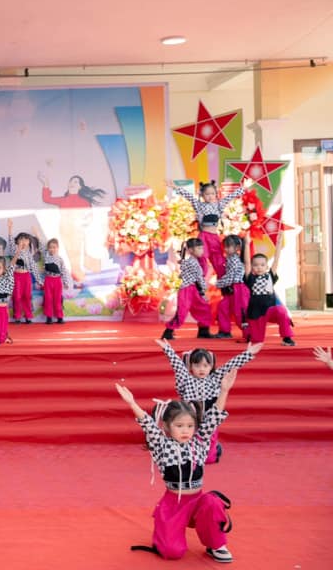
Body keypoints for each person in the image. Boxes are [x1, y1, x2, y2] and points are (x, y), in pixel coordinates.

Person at [116, 370, 238, 563]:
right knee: (172, 552)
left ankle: (215, 544)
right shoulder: (162, 445)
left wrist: (224, 391)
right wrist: (132, 404)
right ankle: (165, 536)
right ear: (167, 426)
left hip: (198, 502)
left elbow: (214, 418)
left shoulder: (200, 441)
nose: (185, 431)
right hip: (173, 504)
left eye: (190, 426)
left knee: (213, 503)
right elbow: (148, 424)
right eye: (179, 426)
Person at [156, 338, 261, 463]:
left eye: (205, 365)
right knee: (187, 454)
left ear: (211, 366)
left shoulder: (215, 378)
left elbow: (230, 365)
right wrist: (167, 349)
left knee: (209, 458)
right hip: (189, 419)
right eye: (197, 365)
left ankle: (215, 448)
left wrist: (248, 353)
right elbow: (177, 365)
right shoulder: (186, 379)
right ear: (191, 366)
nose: (201, 369)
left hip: (209, 420)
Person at [167, 179, 249, 278]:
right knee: (201, 258)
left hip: (214, 237)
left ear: (216, 194)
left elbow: (230, 197)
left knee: (218, 259)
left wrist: (244, 187)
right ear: (202, 195)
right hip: (204, 236)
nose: (210, 196)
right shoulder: (199, 205)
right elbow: (189, 196)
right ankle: (199, 279)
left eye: (212, 194)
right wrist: (175, 187)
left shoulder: (219, 205)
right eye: (207, 194)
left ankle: (225, 280)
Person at [38, 172, 108, 284]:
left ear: (80, 186)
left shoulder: (84, 202)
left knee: (77, 252)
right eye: (71, 181)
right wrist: (46, 183)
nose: (72, 183)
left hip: (77, 230)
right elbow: (47, 198)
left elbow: (89, 216)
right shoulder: (63, 199)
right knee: (71, 254)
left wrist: (83, 224)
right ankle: (76, 274)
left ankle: (80, 273)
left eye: (76, 182)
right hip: (65, 229)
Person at [243, 235, 294, 346]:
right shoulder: (250, 278)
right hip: (256, 312)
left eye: (262, 265)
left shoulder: (270, 275)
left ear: (267, 266)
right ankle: (249, 333)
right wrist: (246, 244)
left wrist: (279, 243)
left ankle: (287, 337)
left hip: (271, 309)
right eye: (255, 265)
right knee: (257, 341)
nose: (259, 267)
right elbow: (246, 262)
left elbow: (276, 260)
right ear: (252, 267)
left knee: (282, 311)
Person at [161, 238, 213, 340]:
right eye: (199, 248)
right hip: (188, 289)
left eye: (202, 248)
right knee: (182, 311)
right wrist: (203, 292)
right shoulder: (193, 263)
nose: (201, 251)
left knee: (203, 308)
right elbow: (199, 278)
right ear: (190, 250)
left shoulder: (191, 261)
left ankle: (203, 330)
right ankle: (168, 331)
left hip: (193, 289)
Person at [213, 235, 248, 339]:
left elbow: (230, 277)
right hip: (232, 289)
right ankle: (225, 331)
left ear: (237, 247)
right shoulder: (231, 259)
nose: (226, 249)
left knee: (239, 311)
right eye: (225, 246)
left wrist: (218, 283)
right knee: (223, 307)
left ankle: (248, 332)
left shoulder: (234, 260)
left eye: (228, 246)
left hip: (238, 289)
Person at [9, 226, 40, 324]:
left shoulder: (29, 254)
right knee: (17, 296)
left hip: (26, 276)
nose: (23, 241)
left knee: (27, 296)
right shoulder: (14, 250)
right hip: (17, 276)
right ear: (17, 242)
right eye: (21, 239)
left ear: (29, 242)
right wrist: (9, 229)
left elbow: (34, 267)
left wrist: (39, 280)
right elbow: (10, 241)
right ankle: (17, 316)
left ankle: (28, 316)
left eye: (26, 240)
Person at [39, 238, 73, 324]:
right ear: (48, 248)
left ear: (57, 248)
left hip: (57, 281)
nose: (52, 249)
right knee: (48, 298)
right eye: (50, 247)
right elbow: (41, 247)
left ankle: (59, 317)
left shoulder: (60, 259)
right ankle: (49, 317)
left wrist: (65, 282)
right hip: (48, 280)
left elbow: (64, 271)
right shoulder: (46, 256)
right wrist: (37, 235)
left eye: (54, 247)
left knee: (58, 299)